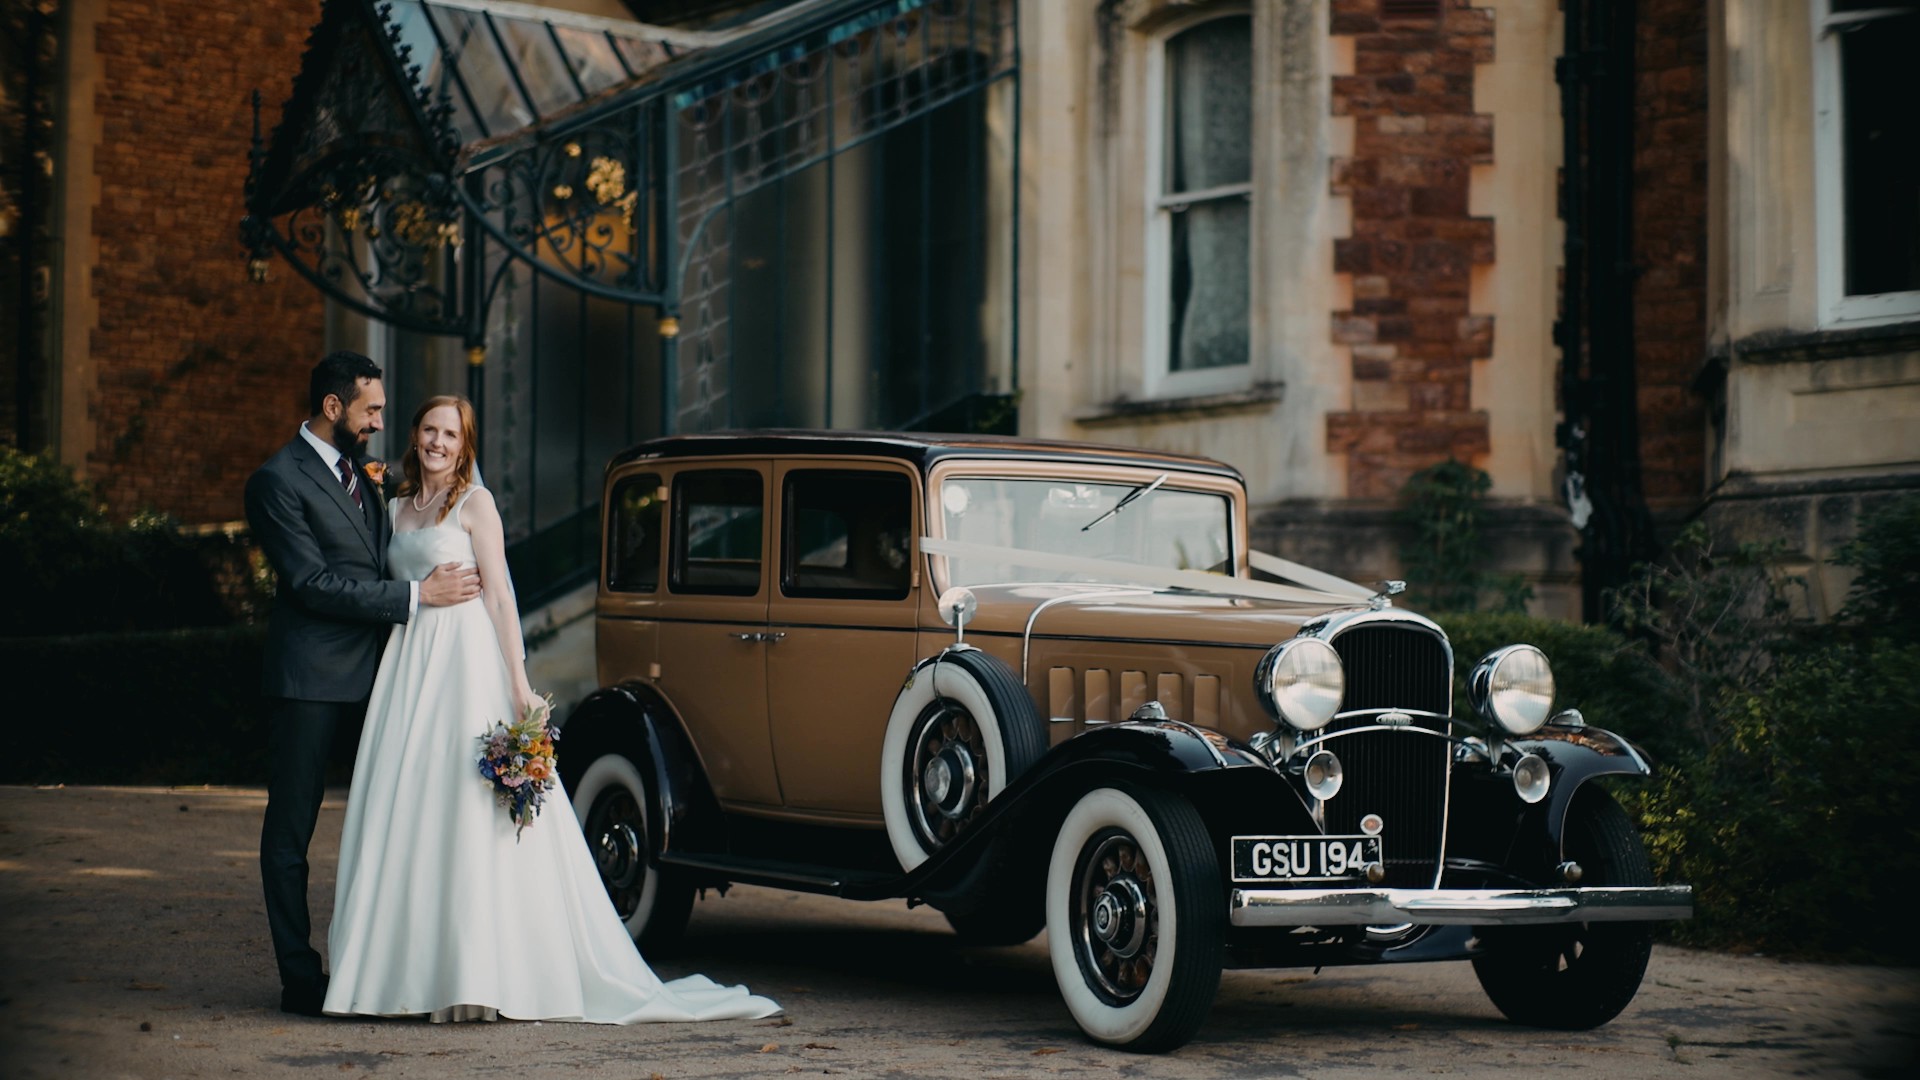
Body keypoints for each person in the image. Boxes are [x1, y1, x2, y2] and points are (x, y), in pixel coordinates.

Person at [322, 395, 778, 1023]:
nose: (437, 442)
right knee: (409, 804)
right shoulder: (395, 507)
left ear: (464, 444)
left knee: (468, 810)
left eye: (450, 434)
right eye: (429, 429)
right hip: (407, 672)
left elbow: (502, 598)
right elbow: (386, 588)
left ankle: (473, 975)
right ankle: (400, 971)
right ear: (415, 435)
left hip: (463, 667)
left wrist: (518, 684)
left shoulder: (474, 506)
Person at [246, 352, 483, 1017]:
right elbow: (311, 582)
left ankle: (392, 968)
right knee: (291, 833)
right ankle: (301, 978)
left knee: (396, 821)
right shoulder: (275, 481)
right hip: (311, 680)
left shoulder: (365, 475)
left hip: (387, 677)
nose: (382, 422)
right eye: (371, 410)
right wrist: (415, 597)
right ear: (333, 408)